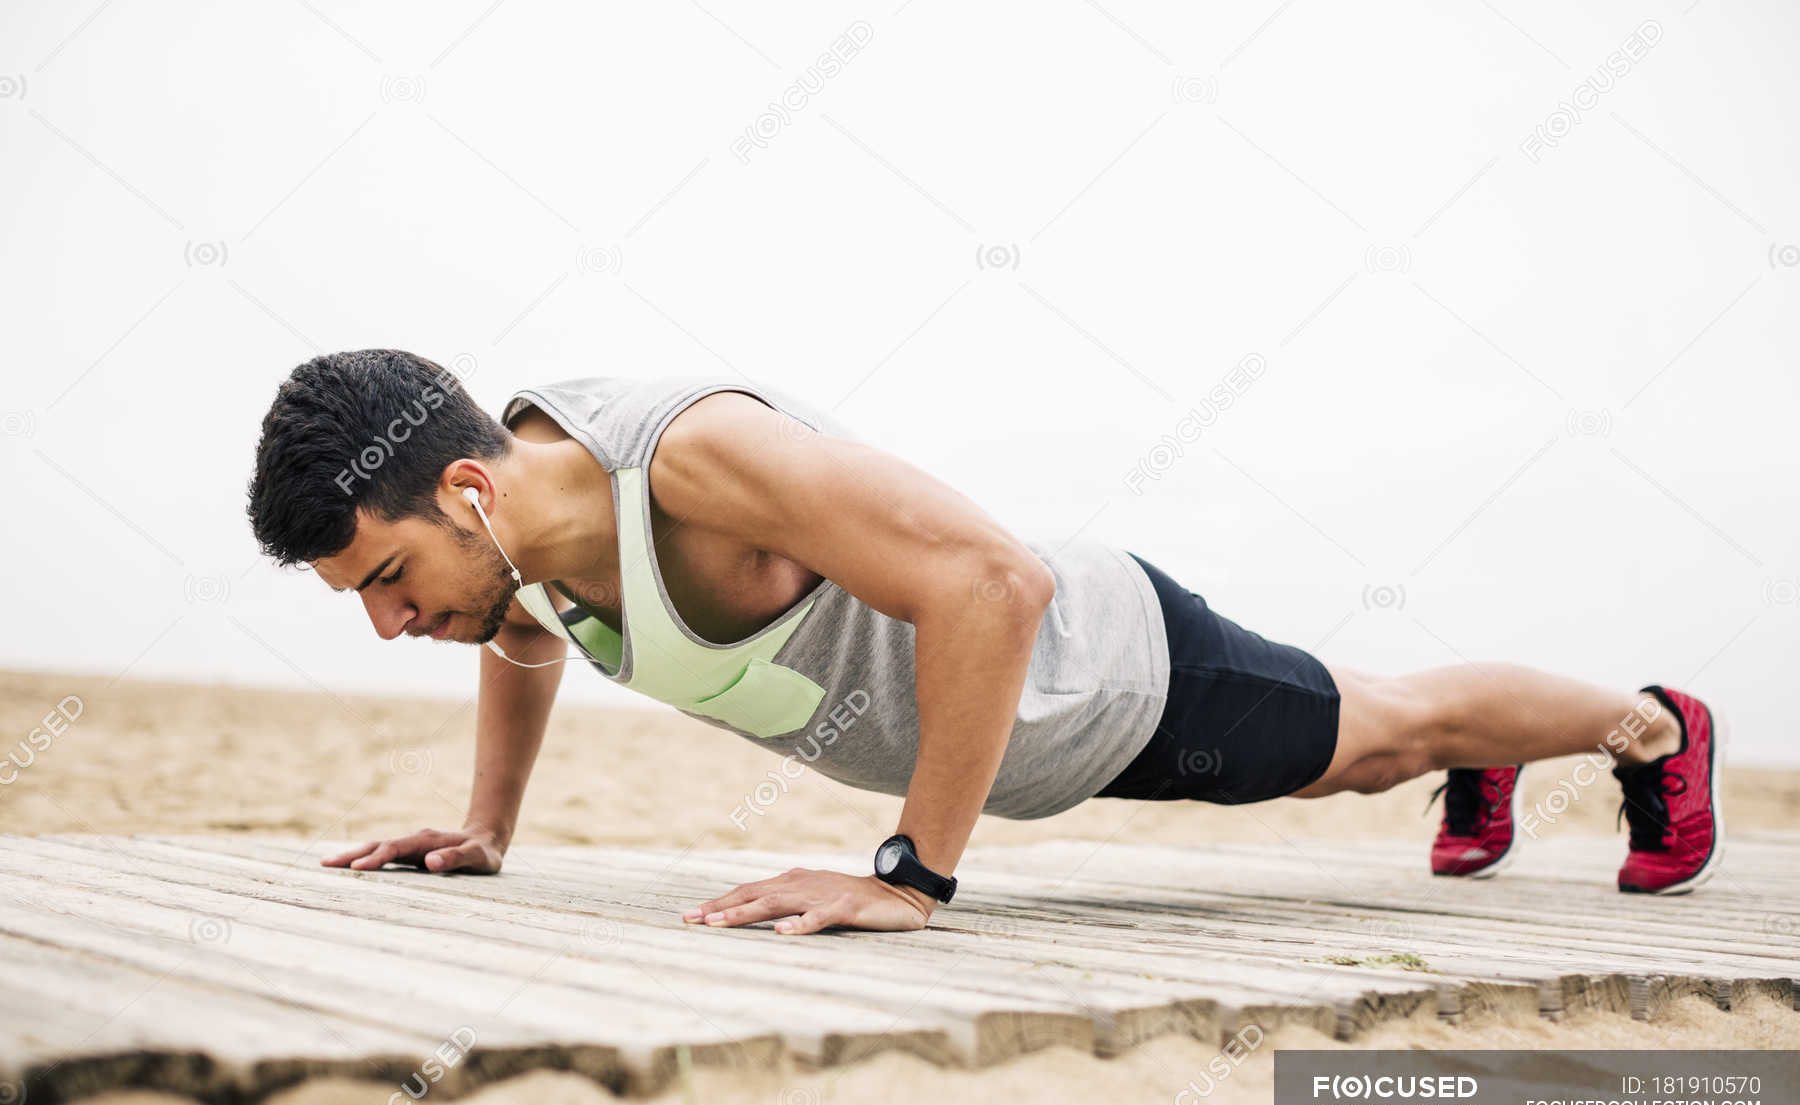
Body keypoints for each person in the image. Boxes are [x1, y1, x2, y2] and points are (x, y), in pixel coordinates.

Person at [245, 349, 1723, 936]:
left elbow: (995, 584)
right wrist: (490, 826)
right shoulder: (521, 540)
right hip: (1021, 748)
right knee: (1367, 741)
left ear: (464, 489)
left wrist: (911, 878)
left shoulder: (690, 462)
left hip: (1113, 677)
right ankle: (1483, 768)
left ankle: (1650, 725)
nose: (391, 624)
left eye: (388, 579)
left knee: (1375, 732)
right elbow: (530, 628)